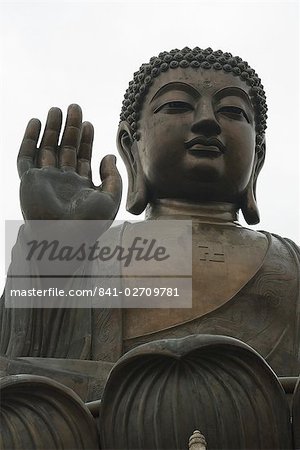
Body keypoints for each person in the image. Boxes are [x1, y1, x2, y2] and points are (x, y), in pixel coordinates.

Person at [1, 47, 299, 388]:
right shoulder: (96, 251)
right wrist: (53, 243)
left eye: (232, 110)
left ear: (257, 155)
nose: (207, 120)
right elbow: (24, 377)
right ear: (131, 147)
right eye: (177, 106)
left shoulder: (290, 263)